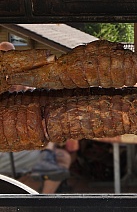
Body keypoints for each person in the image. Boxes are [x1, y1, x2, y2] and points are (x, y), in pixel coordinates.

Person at [0, 41, 78, 193]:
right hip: (6, 151)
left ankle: (43, 201)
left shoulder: (30, 90)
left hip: (31, 148)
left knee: (62, 158)